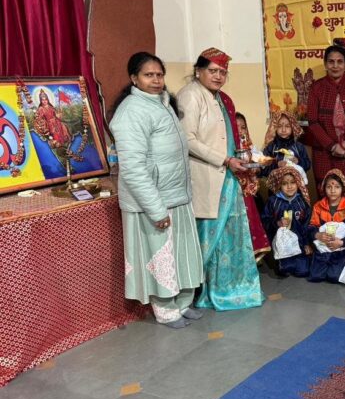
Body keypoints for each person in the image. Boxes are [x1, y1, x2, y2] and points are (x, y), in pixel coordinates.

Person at [110, 51, 203, 328]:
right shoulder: (131, 111)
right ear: (134, 79)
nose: (156, 80)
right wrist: (156, 209)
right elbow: (133, 169)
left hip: (176, 195)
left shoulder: (163, 102)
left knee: (181, 255)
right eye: (148, 75)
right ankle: (165, 311)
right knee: (160, 258)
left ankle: (182, 304)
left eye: (159, 75)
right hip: (153, 202)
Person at [177, 47, 264, 311]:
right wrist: (225, 160)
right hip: (207, 175)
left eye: (223, 72)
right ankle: (202, 292)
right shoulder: (190, 95)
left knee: (230, 233)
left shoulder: (220, 98)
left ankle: (231, 288)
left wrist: (239, 159)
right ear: (198, 71)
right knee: (210, 236)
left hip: (227, 175)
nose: (218, 76)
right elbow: (187, 139)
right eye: (213, 71)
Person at [306, 45, 345, 193]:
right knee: (328, 196)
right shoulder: (316, 88)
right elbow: (313, 122)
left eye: (340, 62)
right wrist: (333, 146)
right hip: (325, 154)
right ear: (325, 64)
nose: (335, 66)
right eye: (331, 61)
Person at [308, 169, 345, 283]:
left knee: (334, 277)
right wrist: (317, 235)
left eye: (337, 187)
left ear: (343, 189)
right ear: (324, 188)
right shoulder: (318, 206)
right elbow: (311, 227)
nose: (333, 190)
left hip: (342, 249)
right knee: (315, 276)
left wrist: (341, 242)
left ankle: (344, 262)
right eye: (329, 187)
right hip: (323, 248)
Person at [234, 112, 272, 262]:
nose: (240, 131)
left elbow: (259, 161)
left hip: (249, 193)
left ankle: (255, 258)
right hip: (235, 193)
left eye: (243, 127)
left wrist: (258, 166)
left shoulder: (250, 147)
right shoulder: (228, 149)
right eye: (236, 127)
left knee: (253, 220)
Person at [261, 167, 312, 278]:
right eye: (284, 183)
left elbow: (307, 224)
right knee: (284, 271)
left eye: (293, 182)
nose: (289, 186)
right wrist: (277, 223)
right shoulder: (273, 201)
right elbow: (265, 220)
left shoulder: (302, 201)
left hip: (299, 243)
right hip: (282, 246)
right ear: (279, 185)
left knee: (303, 272)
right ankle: (282, 263)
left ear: (298, 183)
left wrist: (306, 243)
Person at [261, 110, 310, 181]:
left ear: (293, 127)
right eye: (279, 126)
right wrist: (277, 165)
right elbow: (263, 168)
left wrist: (298, 161)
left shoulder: (299, 146)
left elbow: (308, 165)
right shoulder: (271, 147)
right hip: (276, 186)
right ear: (275, 127)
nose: (283, 130)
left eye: (287, 126)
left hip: (295, 185)